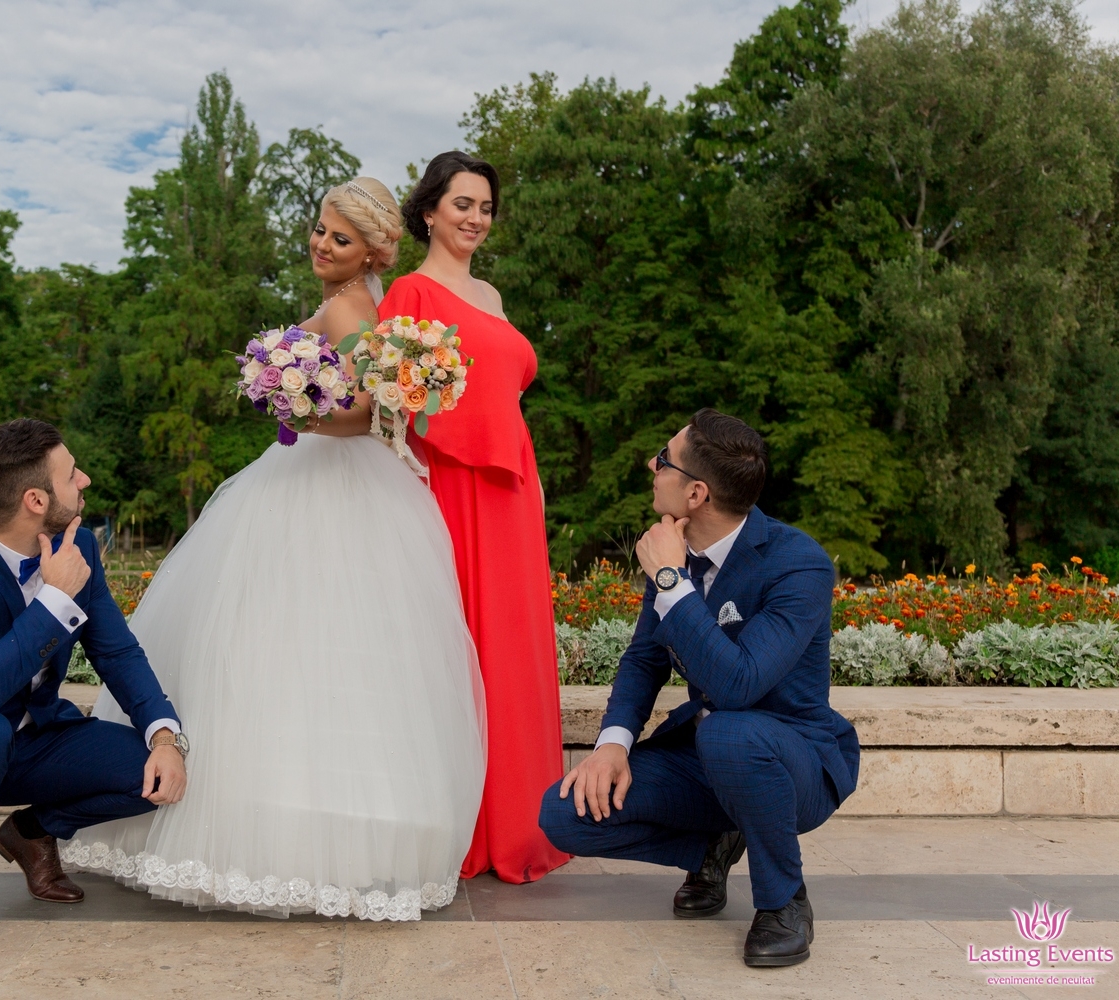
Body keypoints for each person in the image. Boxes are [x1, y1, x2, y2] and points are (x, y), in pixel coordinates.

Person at [60, 177, 487, 921]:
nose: (322, 244)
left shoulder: (352, 308)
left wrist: (301, 408)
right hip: (326, 478)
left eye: (340, 238)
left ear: (374, 251)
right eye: (320, 229)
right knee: (310, 652)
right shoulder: (360, 303)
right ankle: (328, 835)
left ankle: (286, 838)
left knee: (293, 645)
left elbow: (370, 411)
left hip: (336, 483)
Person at [537, 409, 860, 968]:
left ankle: (784, 901)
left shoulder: (798, 564)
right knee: (564, 815)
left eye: (664, 460)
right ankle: (715, 841)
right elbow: (645, 658)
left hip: (795, 760)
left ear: (696, 493)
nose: (651, 465)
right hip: (706, 757)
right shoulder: (678, 550)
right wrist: (612, 745)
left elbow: (738, 684)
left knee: (730, 732)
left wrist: (671, 581)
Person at [0, 419, 188, 953]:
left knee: (154, 773)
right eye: (72, 475)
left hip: (37, 735)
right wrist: (55, 599)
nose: (84, 480)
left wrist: (165, 737)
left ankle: (32, 831)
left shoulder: (78, 546)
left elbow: (116, 652)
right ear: (36, 500)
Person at [378, 151, 570, 884]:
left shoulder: (491, 294)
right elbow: (392, 408)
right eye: (463, 204)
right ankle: (457, 827)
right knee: (456, 652)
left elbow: (506, 401)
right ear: (429, 211)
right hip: (450, 489)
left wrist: (536, 484)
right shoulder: (410, 291)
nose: (476, 218)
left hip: (512, 493)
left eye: (486, 207)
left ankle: (518, 823)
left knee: (512, 650)